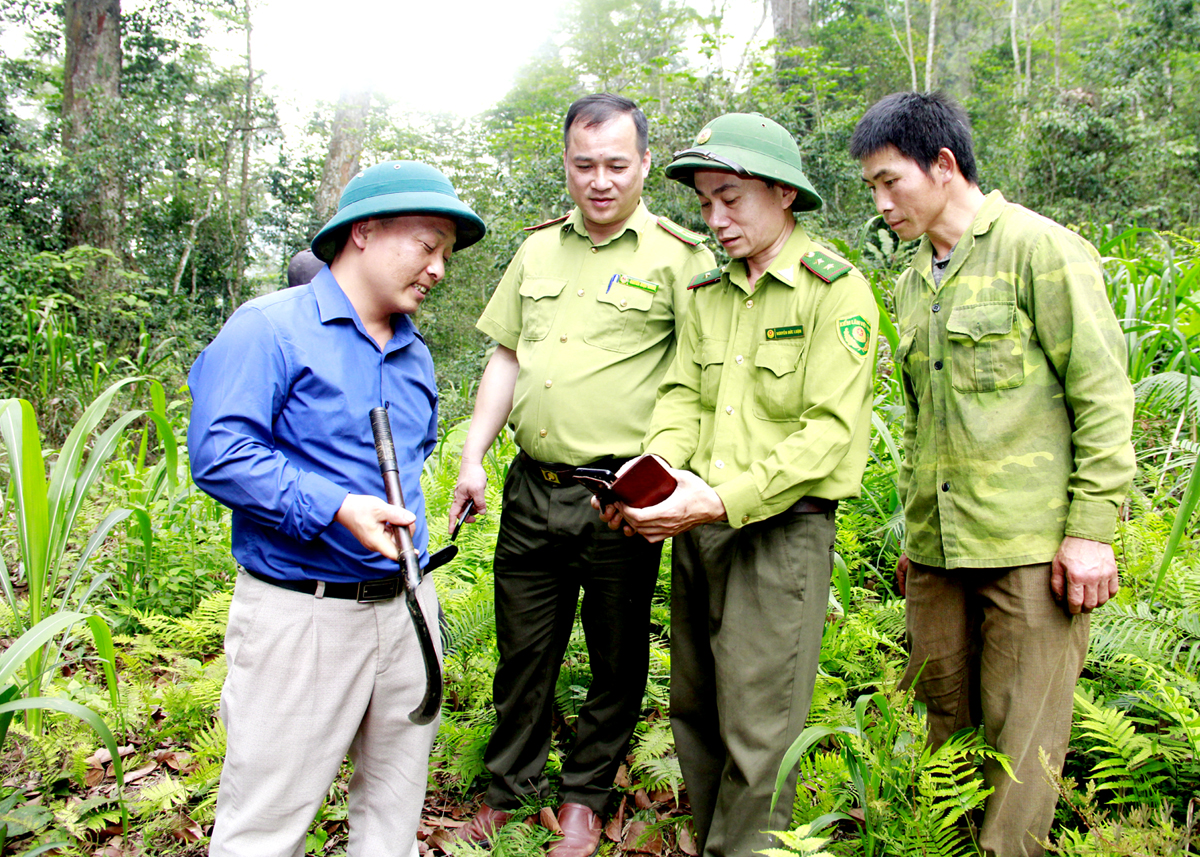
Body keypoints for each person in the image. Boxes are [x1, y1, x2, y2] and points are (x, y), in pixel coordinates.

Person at [850, 91, 1136, 856]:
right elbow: (922, 419)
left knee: (1021, 749)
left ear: (943, 166)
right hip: (940, 555)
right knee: (947, 730)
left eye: (890, 182)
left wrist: (1091, 533)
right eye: (871, 188)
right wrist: (918, 532)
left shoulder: (1040, 249)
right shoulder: (914, 280)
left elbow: (1104, 394)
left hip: (1031, 548)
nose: (881, 204)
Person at [188, 160, 486, 857]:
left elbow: (413, 459)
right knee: (264, 827)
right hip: (303, 614)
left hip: (408, 608)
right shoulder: (269, 328)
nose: (439, 267)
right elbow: (221, 451)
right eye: (427, 244)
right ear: (364, 230)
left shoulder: (415, 355)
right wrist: (336, 507)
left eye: (446, 252)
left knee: (391, 819)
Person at [446, 93, 716, 857]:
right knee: (523, 646)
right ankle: (512, 789)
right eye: (584, 164)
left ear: (645, 166)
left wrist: (668, 474)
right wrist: (473, 455)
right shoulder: (536, 251)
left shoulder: (680, 255)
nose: (600, 181)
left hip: (619, 494)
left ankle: (586, 796)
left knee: (615, 650)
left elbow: (699, 374)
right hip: (532, 485)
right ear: (566, 163)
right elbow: (506, 354)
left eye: (616, 165)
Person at [604, 113, 878, 857]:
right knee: (695, 708)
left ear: (784, 194)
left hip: (778, 534)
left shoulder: (836, 293)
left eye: (731, 198)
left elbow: (828, 433)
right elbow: (682, 397)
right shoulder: (706, 286)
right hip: (698, 528)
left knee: (760, 730)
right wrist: (655, 475)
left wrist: (723, 498)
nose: (715, 219)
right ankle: (708, 841)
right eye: (703, 203)